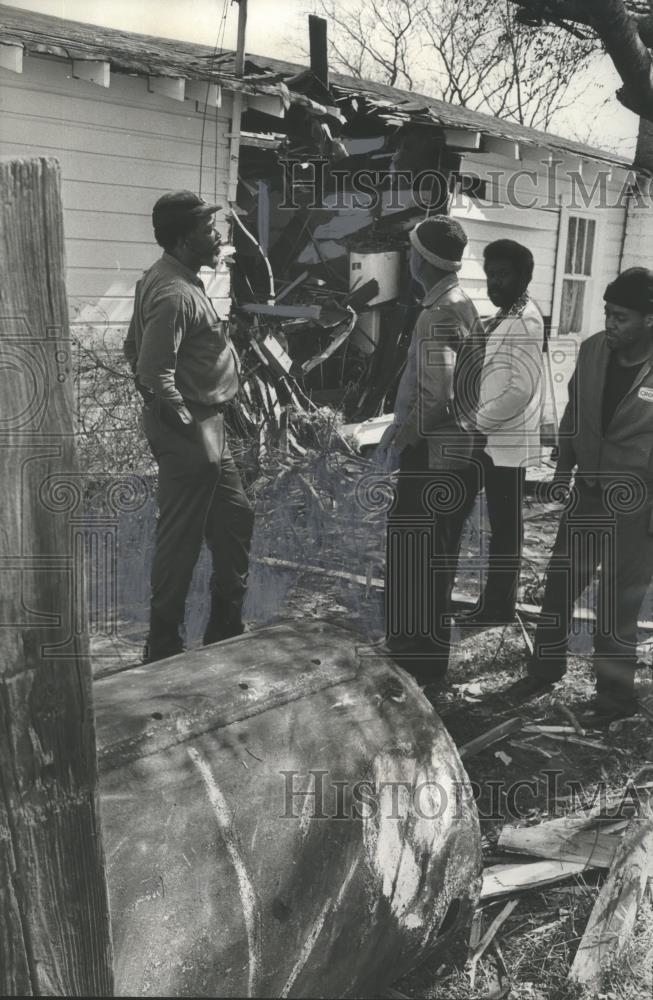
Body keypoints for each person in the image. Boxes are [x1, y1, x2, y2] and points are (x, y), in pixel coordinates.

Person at [123, 190, 254, 663]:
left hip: (208, 425)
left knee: (235, 520)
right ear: (182, 239)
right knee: (181, 539)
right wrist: (184, 421)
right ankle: (163, 647)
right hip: (192, 430)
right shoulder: (175, 293)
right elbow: (151, 370)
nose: (216, 235)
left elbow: (129, 347)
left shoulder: (170, 278)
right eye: (206, 229)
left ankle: (225, 628)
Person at [525, 267, 653, 720]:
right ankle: (543, 669)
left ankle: (615, 700)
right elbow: (575, 412)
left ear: (649, 319)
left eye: (621, 317)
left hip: (637, 508)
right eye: (607, 314)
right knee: (560, 584)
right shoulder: (593, 350)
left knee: (617, 604)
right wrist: (562, 469)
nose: (611, 324)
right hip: (588, 494)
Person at [377, 216, 485, 684]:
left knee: (415, 557)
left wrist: (400, 440)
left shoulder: (438, 313)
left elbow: (435, 398)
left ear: (422, 260)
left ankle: (414, 664)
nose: (408, 257)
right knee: (432, 559)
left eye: (412, 250)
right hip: (456, 455)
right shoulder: (462, 303)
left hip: (433, 458)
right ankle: (424, 662)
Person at [459, 239, 544, 627]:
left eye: (503, 275)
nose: (494, 283)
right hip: (491, 440)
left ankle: (498, 607)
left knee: (506, 528)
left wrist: (478, 422)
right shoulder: (506, 315)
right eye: (490, 275)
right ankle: (493, 603)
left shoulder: (526, 319)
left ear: (523, 278)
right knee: (496, 524)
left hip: (505, 443)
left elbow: (520, 389)